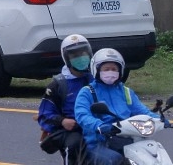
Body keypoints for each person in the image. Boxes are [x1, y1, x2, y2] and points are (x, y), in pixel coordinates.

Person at [74, 48, 157, 165]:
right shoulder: (87, 92)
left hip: (127, 139)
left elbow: (141, 110)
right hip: (98, 143)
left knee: (152, 155)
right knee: (114, 160)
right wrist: (100, 126)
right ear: (97, 70)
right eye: (106, 69)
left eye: (114, 69)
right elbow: (82, 115)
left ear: (120, 71)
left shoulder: (126, 91)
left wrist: (159, 119)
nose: (110, 72)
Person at [38, 34, 94, 165]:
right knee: (74, 145)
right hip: (70, 130)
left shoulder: (96, 79)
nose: (80, 58)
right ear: (66, 58)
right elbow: (44, 115)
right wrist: (62, 121)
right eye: (75, 56)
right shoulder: (58, 85)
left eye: (83, 53)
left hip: (96, 126)